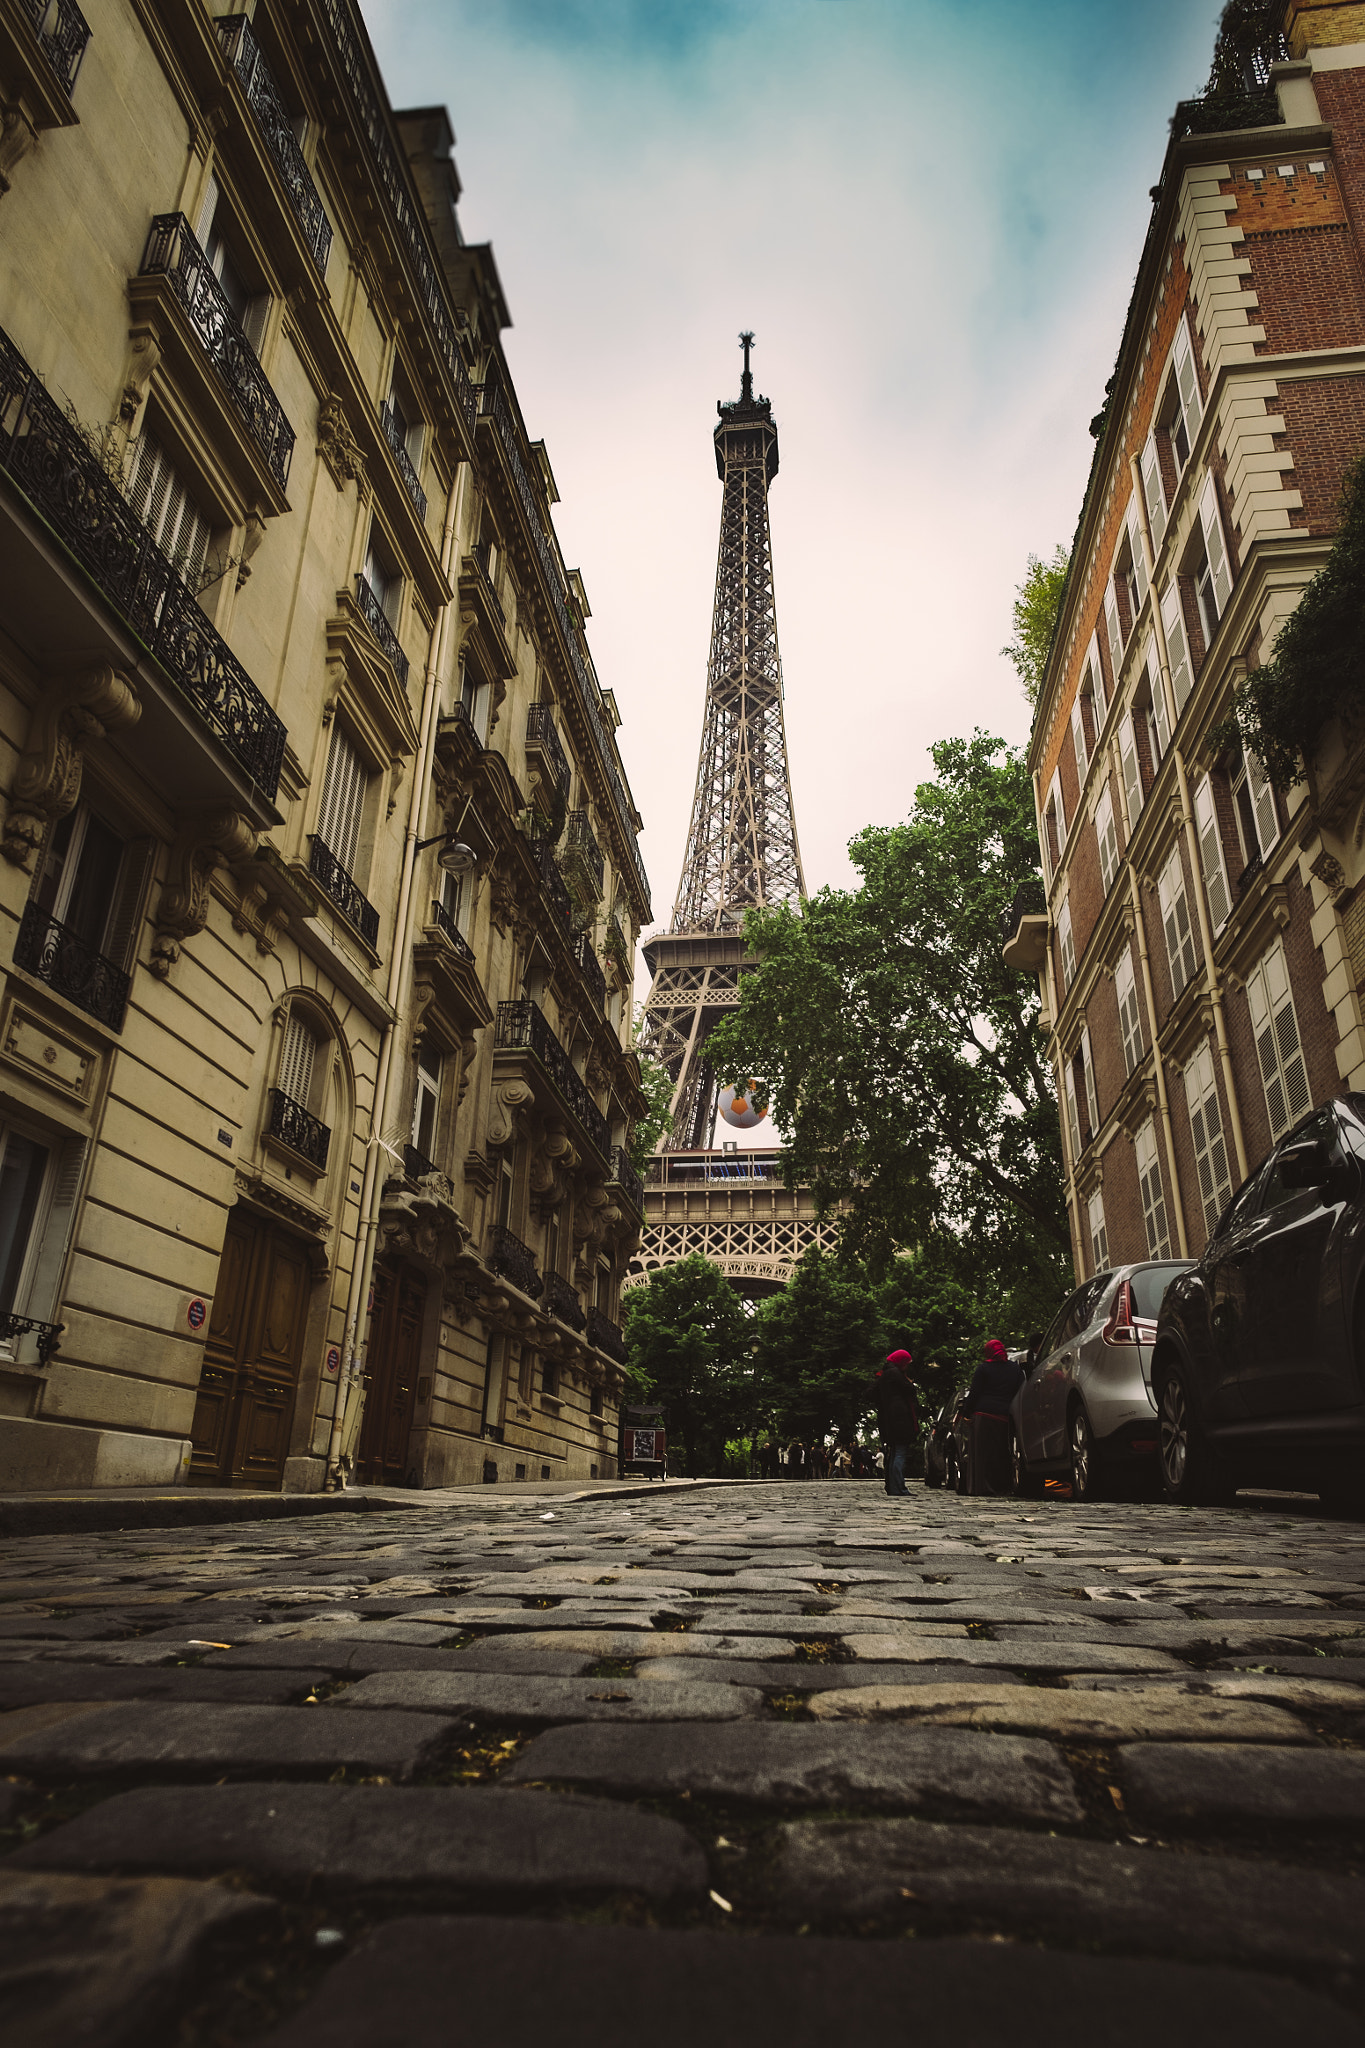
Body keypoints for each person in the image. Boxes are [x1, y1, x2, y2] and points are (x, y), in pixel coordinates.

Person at [966, 1337, 1025, 1495]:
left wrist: (965, 1412)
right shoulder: (1015, 1369)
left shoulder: (983, 1369)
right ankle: (1003, 1486)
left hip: (984, 1415)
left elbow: (974, 1393)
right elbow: (1020, 1390)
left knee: (983, 1455)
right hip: (1005, 1415)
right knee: (1003, 1454)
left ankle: (984, 1488)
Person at [874, 1348, 920, 1497]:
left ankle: (895, 1487)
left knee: (895, 1453)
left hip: (889, 1420)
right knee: (899, 1453)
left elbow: (869, 1393)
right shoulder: (895, 1374)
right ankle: (899, 1488)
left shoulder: (884, 1375)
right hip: (899, 1420)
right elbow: (910, 1390)